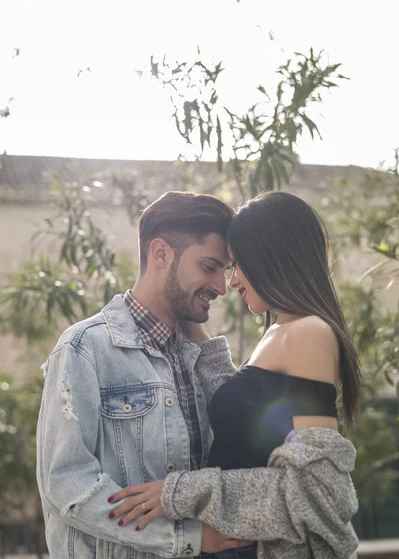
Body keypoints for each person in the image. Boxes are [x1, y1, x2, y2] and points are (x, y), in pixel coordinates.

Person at [106, 191, 362, 559]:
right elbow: (245, 418)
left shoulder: (309, 333)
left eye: (238, 264)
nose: (233, 281)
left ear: (271, 258)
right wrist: (185, 313)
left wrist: (178, 492)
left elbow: (315, 491)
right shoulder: (278, 332)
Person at [36, 190, 253, 558]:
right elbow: (67, 484)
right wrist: (186, 537)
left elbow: (242, 436)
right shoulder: (85, 349)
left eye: (225, 271)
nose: (221, 286)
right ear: (160, 253)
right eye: (209, 266)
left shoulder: (193, 354)